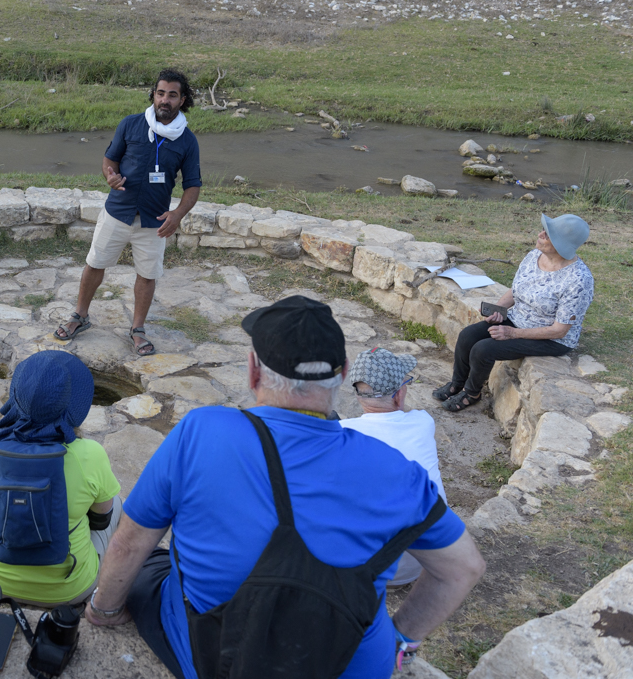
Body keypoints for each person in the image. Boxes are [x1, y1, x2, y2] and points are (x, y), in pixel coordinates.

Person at [86, 296, 485, 679]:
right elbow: (463, 569)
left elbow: (127, 543)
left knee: (154, 562)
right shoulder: (397, 470)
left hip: (216, 658)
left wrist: (103, 611)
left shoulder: (202, 430)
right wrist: (400, 639)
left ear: (253, 371)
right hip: (348, 663)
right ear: (344, 373)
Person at [55, 69, 202, 356]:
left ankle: (137, 330)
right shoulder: (131, 125)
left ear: (182, 100)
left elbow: (193, 185)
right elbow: (109, 161)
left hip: (154, 220)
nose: (165, 100)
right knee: (95, 264)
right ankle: (79, 316)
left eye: (172, 95)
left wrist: (177, 214)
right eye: (160, 93)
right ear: (153, 95)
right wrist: (110, 177)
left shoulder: (187, 140)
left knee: (147, 276)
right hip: (117, 212)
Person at [0, 350, 123, 606]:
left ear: (16, 395)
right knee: (117, 502)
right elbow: (101, 520)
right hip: (68, 588)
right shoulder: (90, 455)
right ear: (75, 405)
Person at [433, 213, 594, 413]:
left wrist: (512, 333)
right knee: (468, 335)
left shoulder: (578, 280)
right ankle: (457, 383)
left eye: (548, 234)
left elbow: (560, 330)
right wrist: (499, 311)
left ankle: (472, 393)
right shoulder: (533, 256)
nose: (540, 234)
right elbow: (516, 289)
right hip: (518, 319)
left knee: (484, 349)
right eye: (544, 229)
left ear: (562, 245)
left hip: (550, 338)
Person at [340, 347, 447, 587]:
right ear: (399, 395)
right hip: (429, 561)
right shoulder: (423, 422)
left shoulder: (341, 433)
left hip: (368, 568)